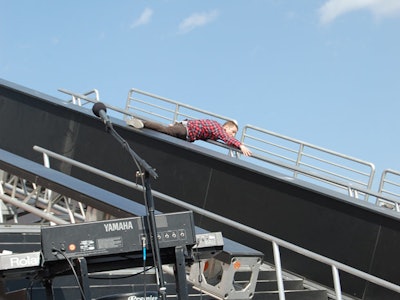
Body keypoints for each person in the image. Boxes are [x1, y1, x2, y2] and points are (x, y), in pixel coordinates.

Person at [127, 118, 252, 156]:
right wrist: (240, 145)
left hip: (185, 132)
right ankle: (142, 122)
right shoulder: (217, 128)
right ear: (227, 127)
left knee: (168, 136)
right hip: (184, 130)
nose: (233, 134)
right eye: (233, 131)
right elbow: (227, 138)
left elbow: (226, 140)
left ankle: (142, 123)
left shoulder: (216, 131)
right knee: (165, 130)